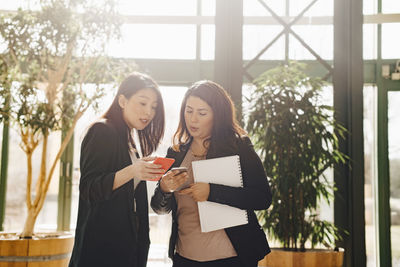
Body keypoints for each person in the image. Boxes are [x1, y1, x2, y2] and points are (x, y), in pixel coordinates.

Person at [151, 80, 272, 267]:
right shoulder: (175, 153)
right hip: (185, 257)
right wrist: (164, 188)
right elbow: (159, 208)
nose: (193, 119)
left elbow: (262, 198)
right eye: (189, 111)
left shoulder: (238, 147)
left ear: (218, 115)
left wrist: (211, 193)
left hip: (233, 258)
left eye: (202, 113)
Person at [69, 72, 166, 267]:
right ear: (122, 100)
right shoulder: (102, 131)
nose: (148, 112)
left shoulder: (128, 139)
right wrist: (132, 171)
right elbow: (89, 188)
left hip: (125, 247)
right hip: (102, 250)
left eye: (154, 107)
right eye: (142, 103)